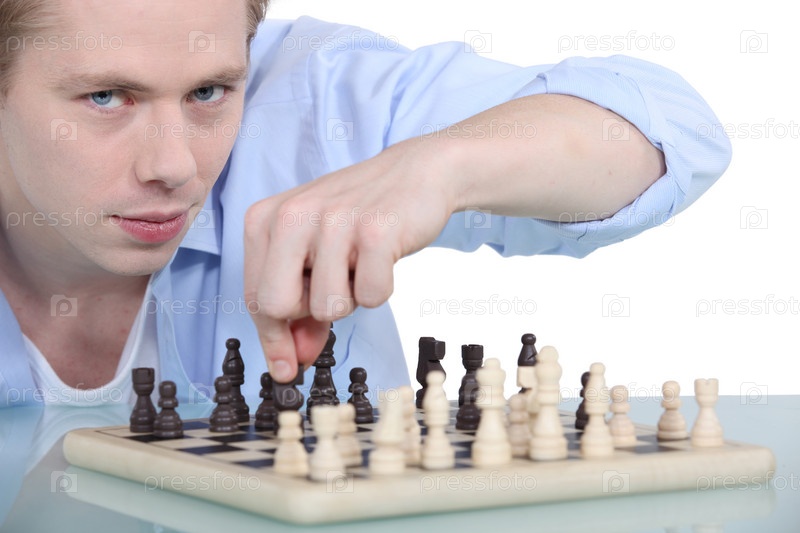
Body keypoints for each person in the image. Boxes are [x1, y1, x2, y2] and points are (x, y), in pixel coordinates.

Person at [0, 0, 731, 408]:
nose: (174, 166)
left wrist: (437, 166)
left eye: (209, 91)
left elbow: (674, 135)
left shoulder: (320, 101)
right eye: (106, 97)